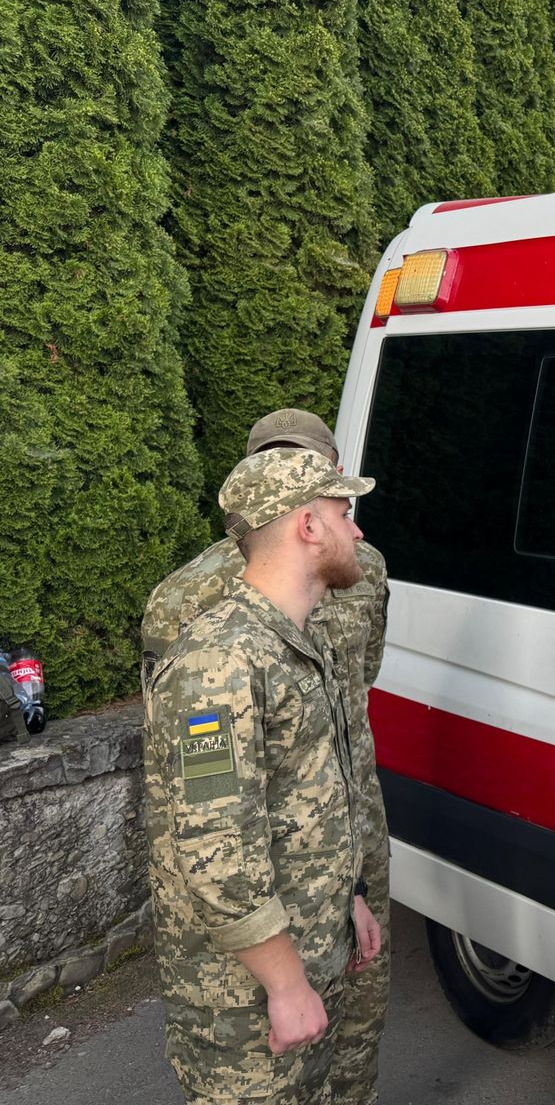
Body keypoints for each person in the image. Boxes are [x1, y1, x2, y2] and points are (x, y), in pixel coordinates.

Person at [142, 408, 392, 1105]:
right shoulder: (218, 661)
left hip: (315, 932)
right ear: (308, 526)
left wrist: (351, 896)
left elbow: (311, 790)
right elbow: (215, 846)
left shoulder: (292, 640)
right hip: (241, 994)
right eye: (345, 511)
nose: (359, 529)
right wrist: (284, 984)